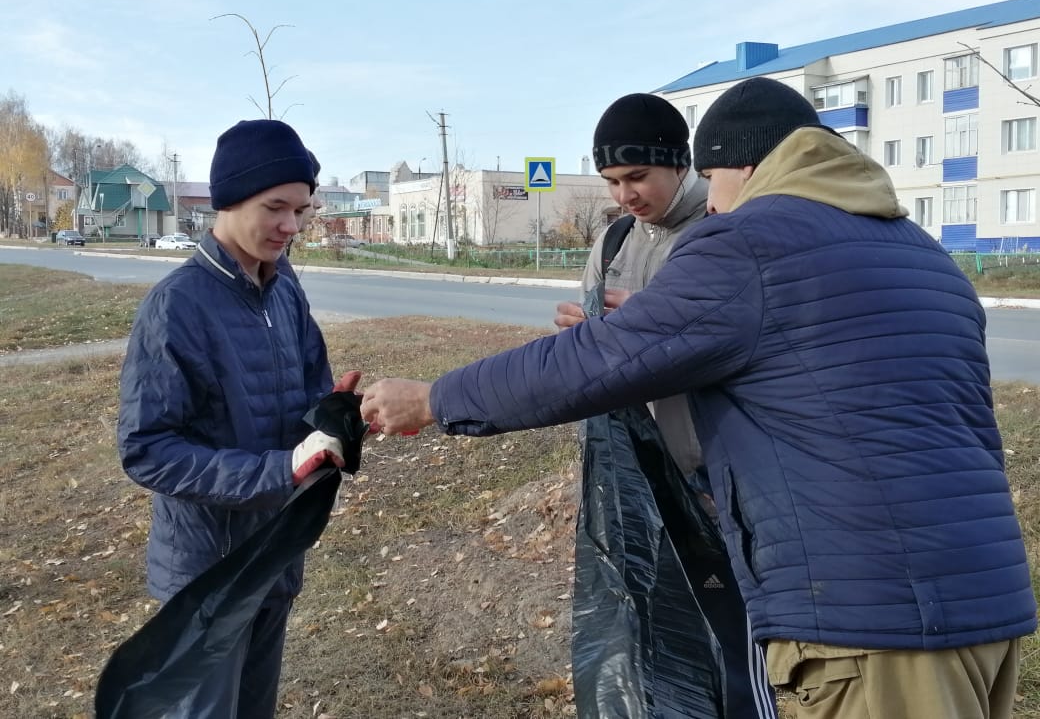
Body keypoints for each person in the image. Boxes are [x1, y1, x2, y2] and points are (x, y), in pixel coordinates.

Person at [360, 77, 1037, 719]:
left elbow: (590, 363)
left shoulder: (750, 242)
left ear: (743, 166)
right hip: (987, 599)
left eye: (712, 179)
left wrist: (436, 397)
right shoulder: (921, 253)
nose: (711, 202)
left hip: (873, 617)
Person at [117, 119, 355, 718]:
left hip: (275, 555)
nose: (291, 226)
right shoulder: (177, 306)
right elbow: (147, 449)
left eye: (301, 210)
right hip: (209, 575)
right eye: (276, 208)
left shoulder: (285, 289)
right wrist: (280, 471)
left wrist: (334, 417)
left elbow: (308, 391)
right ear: (229, 200)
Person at [557, 92, 776, 718]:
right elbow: (596, 356)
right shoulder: (614, 241)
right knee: (654, 626)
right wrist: (584, 335)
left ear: (681, 163)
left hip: (715, 472)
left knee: (733, 636)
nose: (624, 193)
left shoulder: (723, 231)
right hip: (637, 468)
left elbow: (742, 351)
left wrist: (653, 331)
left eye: (637, 176)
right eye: (611, 180)